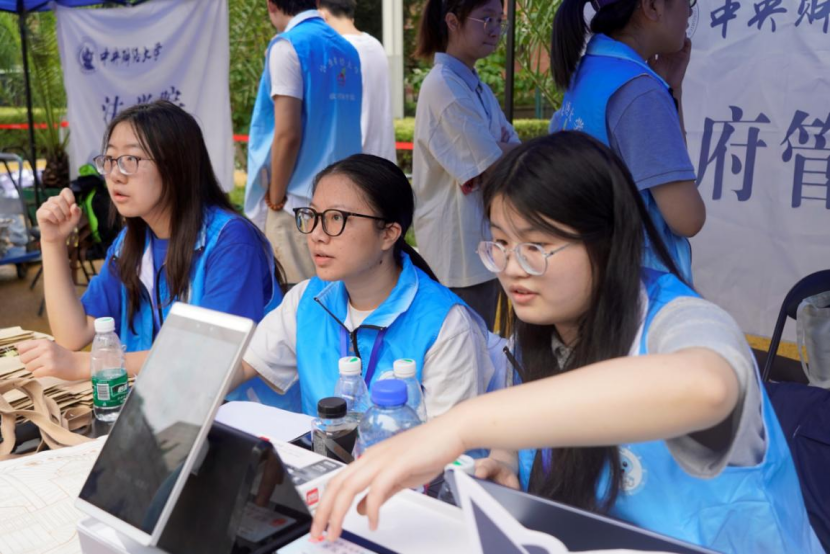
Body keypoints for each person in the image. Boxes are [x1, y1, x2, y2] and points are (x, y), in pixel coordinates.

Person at [309, 134, 824, 554]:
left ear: (607, 242)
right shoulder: (547, 324)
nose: (512, 269)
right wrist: (506, 456)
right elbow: (537, 413)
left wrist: (458, 427)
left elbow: (707, 388)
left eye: (535, 246)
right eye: (501, 243)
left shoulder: (683, 321)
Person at [18, 101, 281, 404]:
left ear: (176, 165)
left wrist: (92, 364)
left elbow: (208, 356)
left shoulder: (232, 242)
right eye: (110, 159)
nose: (115, 175)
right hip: (161, 411)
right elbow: (72, 335)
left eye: (130, 159)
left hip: (235, 419)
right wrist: (52, 242)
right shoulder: (131, 243)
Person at [234, 154, 496, 418]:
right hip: (322, 446)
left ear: (388, 234)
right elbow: (243, 366)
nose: (316, 234)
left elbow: (451, 437)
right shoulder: (308, 299)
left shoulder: (446, 325)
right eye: (312, 215)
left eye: (336, 218)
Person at [549, 0, 705, 283]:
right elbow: (688, 218)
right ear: (653, 7)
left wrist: (671, 88)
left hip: (596, 270)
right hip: (638, 283)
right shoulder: (640, 91)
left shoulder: (592, 67)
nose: (690, 11)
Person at [411, 0, 521, 329]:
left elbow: (511, 149)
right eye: (486, 19)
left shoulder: (474, 86)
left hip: (478, 243)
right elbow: (493, 165)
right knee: (465, 343)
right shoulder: (445, 87)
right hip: (458, 253)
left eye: (499, 20)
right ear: (452, 21)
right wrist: (497, 148)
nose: (495, 29)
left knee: (480, 341)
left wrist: (496, 147)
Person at [244, 0, 363, 284]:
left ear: (271, 5)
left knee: (297, 298)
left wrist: (275, 198)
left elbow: (288, 134)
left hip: (298, 205)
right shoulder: (347, 49)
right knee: (335, 297)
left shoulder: (287, 46)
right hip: (344, 198)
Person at [318, 0, 397, 164]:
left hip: (353, 166)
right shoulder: (375, 45)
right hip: (382, 160)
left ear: (322, 15)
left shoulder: (338, 51)